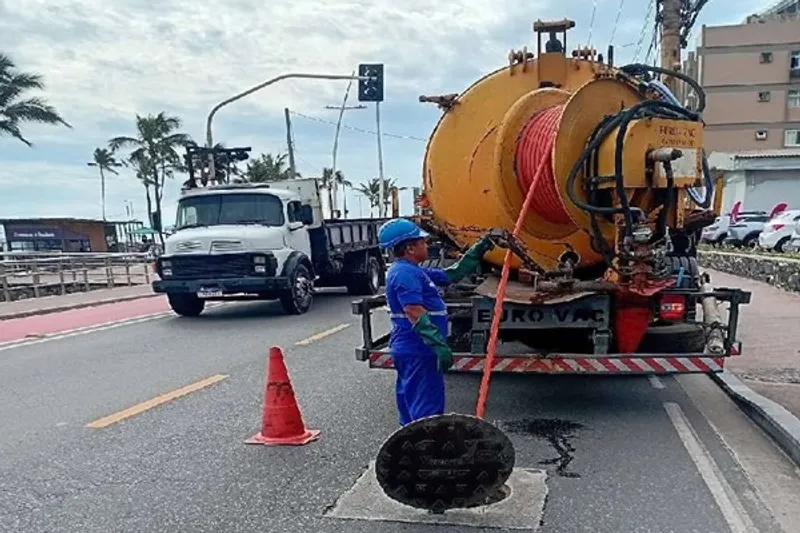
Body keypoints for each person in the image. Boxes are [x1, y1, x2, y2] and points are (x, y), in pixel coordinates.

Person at [378, 218, 496, 426]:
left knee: (412, 401)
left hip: (413, 347)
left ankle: (410, 441)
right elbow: (413, 310)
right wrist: (438, 344)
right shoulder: (404, 273)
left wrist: (479, 248)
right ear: (410, 248)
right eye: (422, 242)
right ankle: (425, 443)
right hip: (419, 347)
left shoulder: (413, 270)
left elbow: (452, 274)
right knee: (426, 408)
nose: (427, 245)